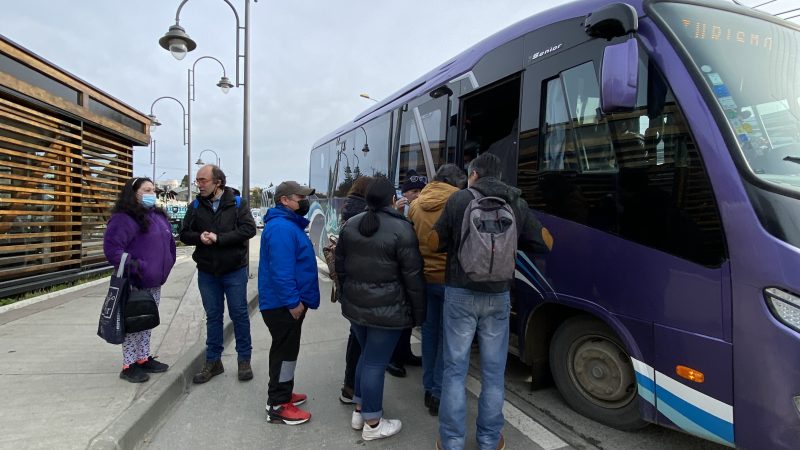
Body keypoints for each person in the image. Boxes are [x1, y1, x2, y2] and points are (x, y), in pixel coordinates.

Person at [433, 153, 552, 450]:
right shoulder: (517, 203)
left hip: (460, 292)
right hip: (498, 296)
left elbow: (435, 242)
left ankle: (451, 442)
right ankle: (488, 441)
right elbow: (545, 243)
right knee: (493, 372)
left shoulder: (459, 200)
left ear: (473, 174)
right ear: (499, 177)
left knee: (455, 369)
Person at [335, 177, 425, 441]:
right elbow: (414, 277)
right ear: (391, 199)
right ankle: (373, 424)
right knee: (375, 362)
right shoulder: (402, 229)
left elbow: (340, 267)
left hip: (355, 306)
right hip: (388, 310)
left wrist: (346, 296)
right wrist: (420, 314)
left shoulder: (350, 225)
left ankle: (361, 410)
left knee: (367, 357)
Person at [180, 165, 257, 384]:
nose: (199, 185)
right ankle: (213, 361)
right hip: (207, 271)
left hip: (234, 270)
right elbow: (184, 233)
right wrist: (199, 236)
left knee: (239, 314)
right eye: (197, 180)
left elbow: (248, 230)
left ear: (218, 182)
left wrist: (219, 238)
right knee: (213, 316)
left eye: (203, 180)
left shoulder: (237, 203)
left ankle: (244, 360)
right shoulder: (195, 205)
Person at [104, 177, 176, 383]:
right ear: (133, 193)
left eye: (153, 190)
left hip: (154, 281)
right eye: (146, 190)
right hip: (135, 282)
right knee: (133, 323)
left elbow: (169, 242)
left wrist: (167, 263)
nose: (151, 193)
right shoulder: (123, 218)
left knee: (146, 321)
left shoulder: (157, 216)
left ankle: (143, 358)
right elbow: (112, 249)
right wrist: (136, 266)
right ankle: (129, 365)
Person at [259, 181, 321, 425]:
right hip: (283, 305)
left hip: (284, 303)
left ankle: (283, 392)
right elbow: (282, 271)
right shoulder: (282, 228)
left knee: (287, 351)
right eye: (299, 197)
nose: (303, 201)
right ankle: (277, 404)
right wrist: (293, 302)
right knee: (284, 353)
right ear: (284, 200)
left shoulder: (287, 225)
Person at [407, 164, 466, 416]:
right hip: (451, 280)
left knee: (430, 333)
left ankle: (428, 385)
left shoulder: (415, 205)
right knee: (448, 338)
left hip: (424, 279)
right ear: (455, 182)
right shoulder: (459, 202)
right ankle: (439, 392)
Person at [386, 170, 427, 378]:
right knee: (398, 318)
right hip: (398, 273)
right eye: (413, 191)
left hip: (414, 270)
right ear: (403, 193)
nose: (417, 195)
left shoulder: (423, 210)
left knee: (409, 317)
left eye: (421, 190)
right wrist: (396, 211)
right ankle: (393, 358)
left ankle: (405, 352)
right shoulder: (396, 211)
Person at [338, 176, 373, 404]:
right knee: (363, 341)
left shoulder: (349, 206)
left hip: (350, 282)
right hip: (364, 282)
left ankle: (350, 386)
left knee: (356, 335)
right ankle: (355, 390)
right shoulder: (364, 212)